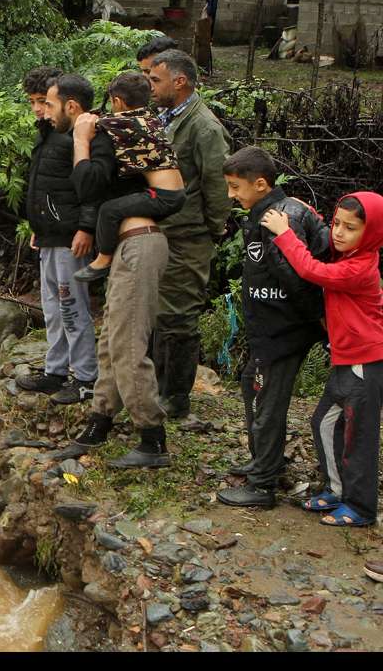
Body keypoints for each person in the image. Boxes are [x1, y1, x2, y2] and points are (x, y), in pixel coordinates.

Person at [51, 73, 171, 468]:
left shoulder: (101, 134)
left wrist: (82, 141)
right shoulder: (124, 133)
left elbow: (87, 184)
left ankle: (152, 440)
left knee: (127, 345)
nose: (45, 114)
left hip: (140, 245)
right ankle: (99, 421)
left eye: (49, 105)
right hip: (128, 247)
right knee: (110, 342)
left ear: (73, 107)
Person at [215, 147, 330, 508]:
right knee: (252, 384)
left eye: (235, 187)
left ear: (261, 184)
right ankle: (267, 462)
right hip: (271, 328)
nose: (231, 195)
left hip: (283, 330)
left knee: (267, 400)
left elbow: (296, 280)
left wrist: (317, 322)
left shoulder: (279, 219)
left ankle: (263, 486)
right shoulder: (265, 212)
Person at [262, 191, 383, 527]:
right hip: (347, 360)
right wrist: (307, 213)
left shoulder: (360, 268)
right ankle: (337, 488)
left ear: (371, 233)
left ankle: (360, 508)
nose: (339, 233)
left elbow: (311, 270)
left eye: (351, 228)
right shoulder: (347, 257)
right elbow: (323, 246)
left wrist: (285, 234)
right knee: (325, 423)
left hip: (365, 362)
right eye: (336, 224)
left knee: (358, 435)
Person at [147, 49, 231, 419]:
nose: (150, 86)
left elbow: (218, 185)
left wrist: (210, 230)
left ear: (179, 82)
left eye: (156, 79)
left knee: (179, 315)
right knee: (158, 311)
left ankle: (176, 398)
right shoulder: (165, 117)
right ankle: (156, 386)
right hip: (164, 231)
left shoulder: (205, 127)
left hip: (189, 235)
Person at [17, 68, 100, 402]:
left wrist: (86, 227)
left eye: (44, 102)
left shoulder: (76, 135)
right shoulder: (48, 134)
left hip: (71, 238)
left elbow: (90, 188)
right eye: (34, 102)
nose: (39, 109)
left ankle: (86, 377)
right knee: (52, 307)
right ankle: (55, 371)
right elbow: (46, 187)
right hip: (50, 236)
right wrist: (39, 227)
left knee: (71, 307)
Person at [73, 72, 185, 283]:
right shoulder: (149, 117)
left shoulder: (119, 124)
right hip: (176, 192)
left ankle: (103, 259)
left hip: (162, 196)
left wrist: (81, 131)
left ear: (117, 101)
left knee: (109, 210)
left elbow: (92, 125)